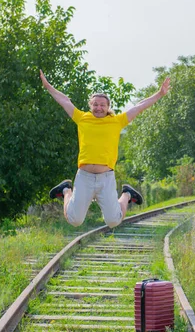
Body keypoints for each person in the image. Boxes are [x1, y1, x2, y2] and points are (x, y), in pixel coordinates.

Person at [40, 69, 171, 228]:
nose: (98, 108)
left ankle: (127, 194)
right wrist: (48, 87)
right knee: (75, 220)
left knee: (113, 221)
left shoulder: (117, 121)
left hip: (106, 178)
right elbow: (64, 100)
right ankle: (66, 190)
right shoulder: (82, 118)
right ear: (90, 106)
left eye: (102, 105)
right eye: (95, 104)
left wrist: (159, 94)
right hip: (84, 177)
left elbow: (139, 106)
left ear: (108, 106)